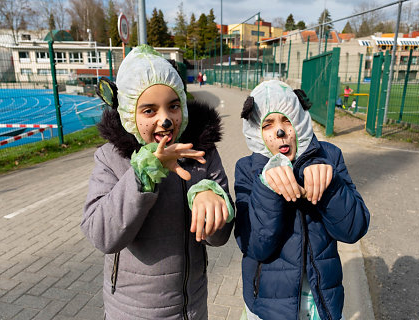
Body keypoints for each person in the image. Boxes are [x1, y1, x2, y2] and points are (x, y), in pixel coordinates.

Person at [81, 45, 234, 320]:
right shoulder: (111, 158)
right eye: (149, 111)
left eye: (173, 106)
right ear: (129, 114)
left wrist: (213, 199)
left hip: (193, 306)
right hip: (132, 310)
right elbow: (102, 234)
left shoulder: (203, 153)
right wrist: (143, 173)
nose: (165, 120)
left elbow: (219, 238)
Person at [234, 80, 370, 320]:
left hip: (320, 303)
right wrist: (267, 187)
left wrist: (329, 185)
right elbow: (256, 246)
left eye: (287, 120)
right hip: (268, 306)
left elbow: (354, 229)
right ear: (256, 130)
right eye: (268, 124)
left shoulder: (329, 155)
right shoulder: (247, 169)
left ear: (299, 120)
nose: (280, 132)